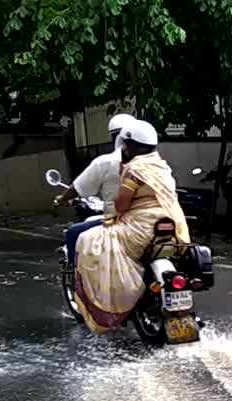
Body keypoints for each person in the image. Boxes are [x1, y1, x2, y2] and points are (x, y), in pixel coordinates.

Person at [73, 119, 190, 333]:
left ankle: (116, 299)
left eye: (126, 145)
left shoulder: (134, 169)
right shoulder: (163, 167)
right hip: (174, 225)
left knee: (89, 240)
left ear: (132, 146)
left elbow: (122, 205)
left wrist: (114, 213)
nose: (123, 149)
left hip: (141, 229)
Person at [53, 113, 134, 264]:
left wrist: (63, 198)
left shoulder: (107, 162)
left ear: (114, 137)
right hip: (153, 221)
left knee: (72, 233)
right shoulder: (157, 164)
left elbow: (78, 188)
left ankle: (80, 281)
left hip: (120, 221)